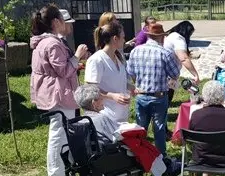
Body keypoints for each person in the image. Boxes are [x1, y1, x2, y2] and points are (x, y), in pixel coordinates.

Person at [30, 4, 89, 176]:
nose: (65, 24)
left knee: (62, 130)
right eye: (63, 20)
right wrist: (77, 56)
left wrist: (75, 61)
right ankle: (56, 173)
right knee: (58, 132)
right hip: (58, 95)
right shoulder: (52, 44)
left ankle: (64, 166)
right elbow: (63, 71)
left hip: (55, 93)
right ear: (56, 22)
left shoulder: (46, 42)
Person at [127, 23, 181, 155]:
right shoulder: (165, 53)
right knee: (159, 129)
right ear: (161, 37)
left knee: (141, 129)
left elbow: (130, 72)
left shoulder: (135, 51)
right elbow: (175, 73)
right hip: (159, 95)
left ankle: (140, 156)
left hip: (141, 95)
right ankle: (161, 158)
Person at [85, 21, 131, 125]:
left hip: (121, 115)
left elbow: (117, 80)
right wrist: (112, 96)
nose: (124, 40)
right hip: (104, 115)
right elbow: (90, 89)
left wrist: (131, 87)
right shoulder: (97, 60)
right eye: (123, 37)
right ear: (115, 38)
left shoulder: (118, 57)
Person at [164, 21, 200, 102]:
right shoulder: (179, 38)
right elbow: (184, 58)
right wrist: (195, 75)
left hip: (164, 70)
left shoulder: (171, 35)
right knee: (167, 98)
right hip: (169, 73)